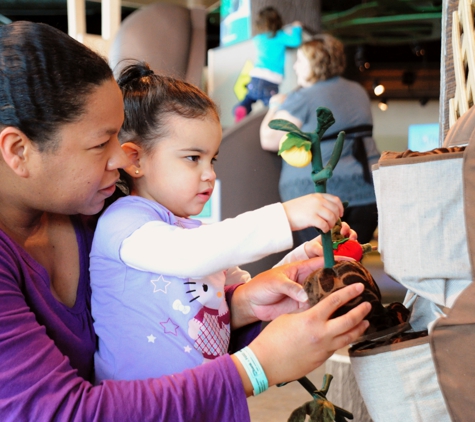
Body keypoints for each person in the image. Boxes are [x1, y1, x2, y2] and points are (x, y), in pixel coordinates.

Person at [0, 21, 370, 421]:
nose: (123, 158)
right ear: (18, 150)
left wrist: (242, 304)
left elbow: (168, 317)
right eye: (99, 144)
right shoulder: (122, 220)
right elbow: (62, 412)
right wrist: (255, 367)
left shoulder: (91, 208)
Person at [91, 62, 347, 383]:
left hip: (203, 399)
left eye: (211, 159)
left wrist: (299, 261)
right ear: (135, 159)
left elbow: (246, 285)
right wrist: (285, 216)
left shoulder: (195, 235)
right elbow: (191, 255)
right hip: (140, 409)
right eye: (192, 158)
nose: (209, 173)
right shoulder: (124, 223)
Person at [260, 34, 380, 245]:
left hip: (316, 196)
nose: (295, 67)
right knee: (350, 259)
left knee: (323, 263)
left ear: (315, 63)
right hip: (367, 192)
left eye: (300, 61)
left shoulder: (303, 97)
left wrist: (275, 106)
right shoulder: (357, 90)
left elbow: (269, 139)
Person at [234, 6, 302, 123]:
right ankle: (272, 126)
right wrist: (297, 27)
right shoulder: (279, 36)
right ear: (278, 22)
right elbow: (296, 41)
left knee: (249, 98)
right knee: (273, 107)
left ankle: (242, 108)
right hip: (270, 81)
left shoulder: (258, 39)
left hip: (255, 78)